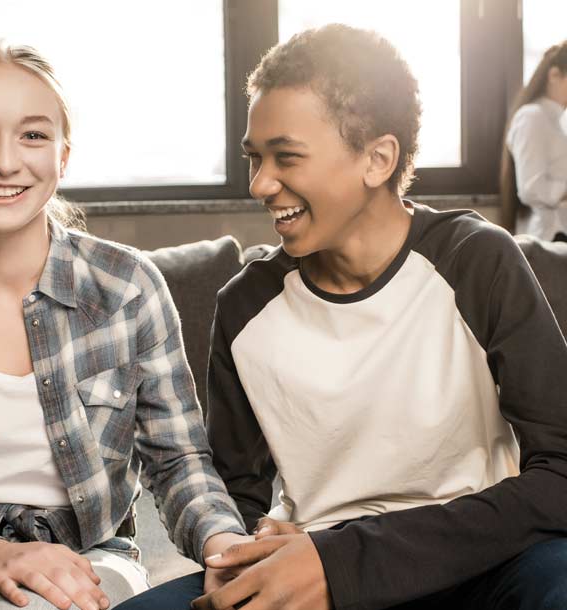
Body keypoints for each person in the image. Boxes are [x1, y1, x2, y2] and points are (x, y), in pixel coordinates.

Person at [116, 24, 567, 610]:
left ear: (378, 159)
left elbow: (559, 473)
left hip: (482, 562)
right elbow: (235, 500)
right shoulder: (244, 308)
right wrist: (249, 549)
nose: (260, 184)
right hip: (315, 578)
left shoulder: (475, 261)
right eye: (255, 158)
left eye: (287, 157)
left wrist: (347, 558)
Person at [0, 38, 247, 610]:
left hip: (93, 557)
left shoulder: (128, 287)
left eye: (33, 135)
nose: (5, 161)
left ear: (63, 156)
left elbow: (178, 460)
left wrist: (224, 544)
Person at [501, 41, 567, 240]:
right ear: (554, 75)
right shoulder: (532, 116)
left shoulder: (556, 121)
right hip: (547, 237)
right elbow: (531, 188)